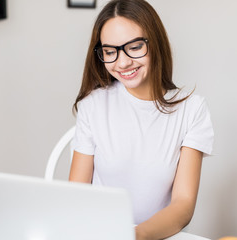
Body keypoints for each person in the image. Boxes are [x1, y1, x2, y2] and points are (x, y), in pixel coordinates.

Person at [69, 0, 214, 239]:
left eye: (135, 47)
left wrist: (135, 236)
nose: (123, 62)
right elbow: (76, 195)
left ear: (155, 42)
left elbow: (183, 204)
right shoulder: (93, 105)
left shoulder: (192, 110)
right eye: (109, 51)